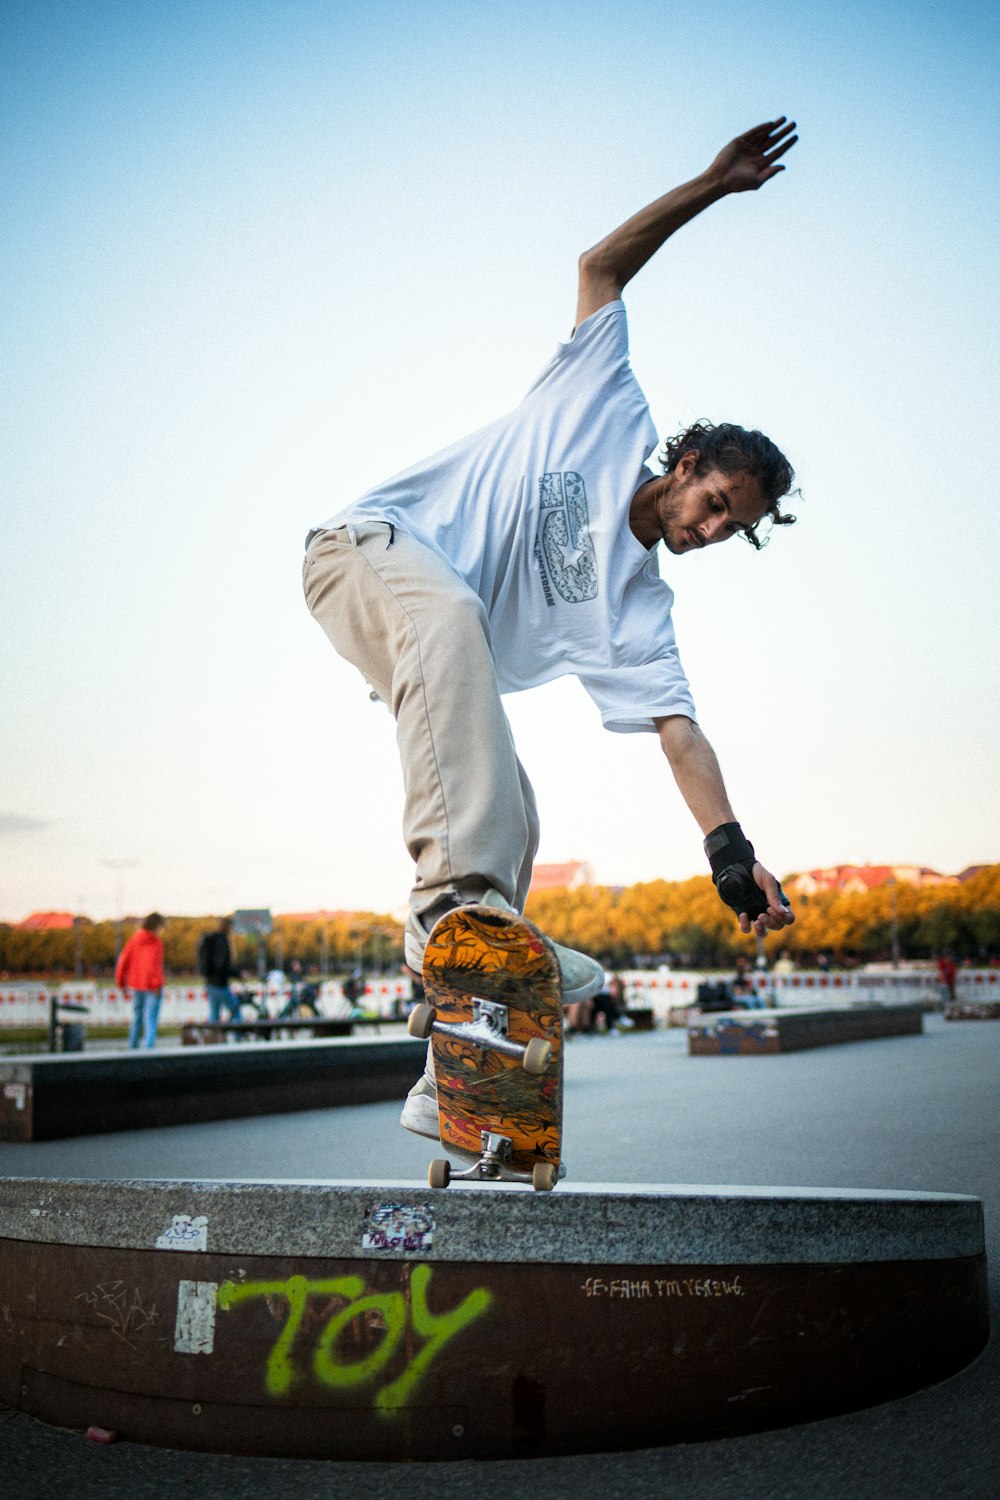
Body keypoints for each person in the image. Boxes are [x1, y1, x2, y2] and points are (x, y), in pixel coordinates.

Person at [303, 117, 798, 1144]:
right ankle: (458, 925)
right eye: (714, 502)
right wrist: (710, 184)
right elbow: (600, 264)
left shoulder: (636, 612)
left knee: (514, 808)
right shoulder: (605, 401)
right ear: (688, 458)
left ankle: (451, 1054)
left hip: (432, 644)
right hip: (363, 552)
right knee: (451, 622)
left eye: (730, 530)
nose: (709, 531)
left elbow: (680, 734)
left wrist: (730, 850)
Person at [116, 912, 166, 1049]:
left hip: (136, 985)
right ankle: (148, 1051)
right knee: (151, 1021)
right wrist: (156, 984)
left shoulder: (134, 940)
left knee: (137, 1019)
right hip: (152, 987)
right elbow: (154, 965)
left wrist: (121, 983)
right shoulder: (155, 942)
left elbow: (123, 962)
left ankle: (133, 1048)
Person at [197, 916, 239, 1025]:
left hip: (210, 982)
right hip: (220, 983)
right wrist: (237, 973)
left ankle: (213, 1038)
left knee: (214, 1014)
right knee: (235, 1010)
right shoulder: (221, 941)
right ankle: (239, 1037)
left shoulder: (212, 939)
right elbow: (221, 964)